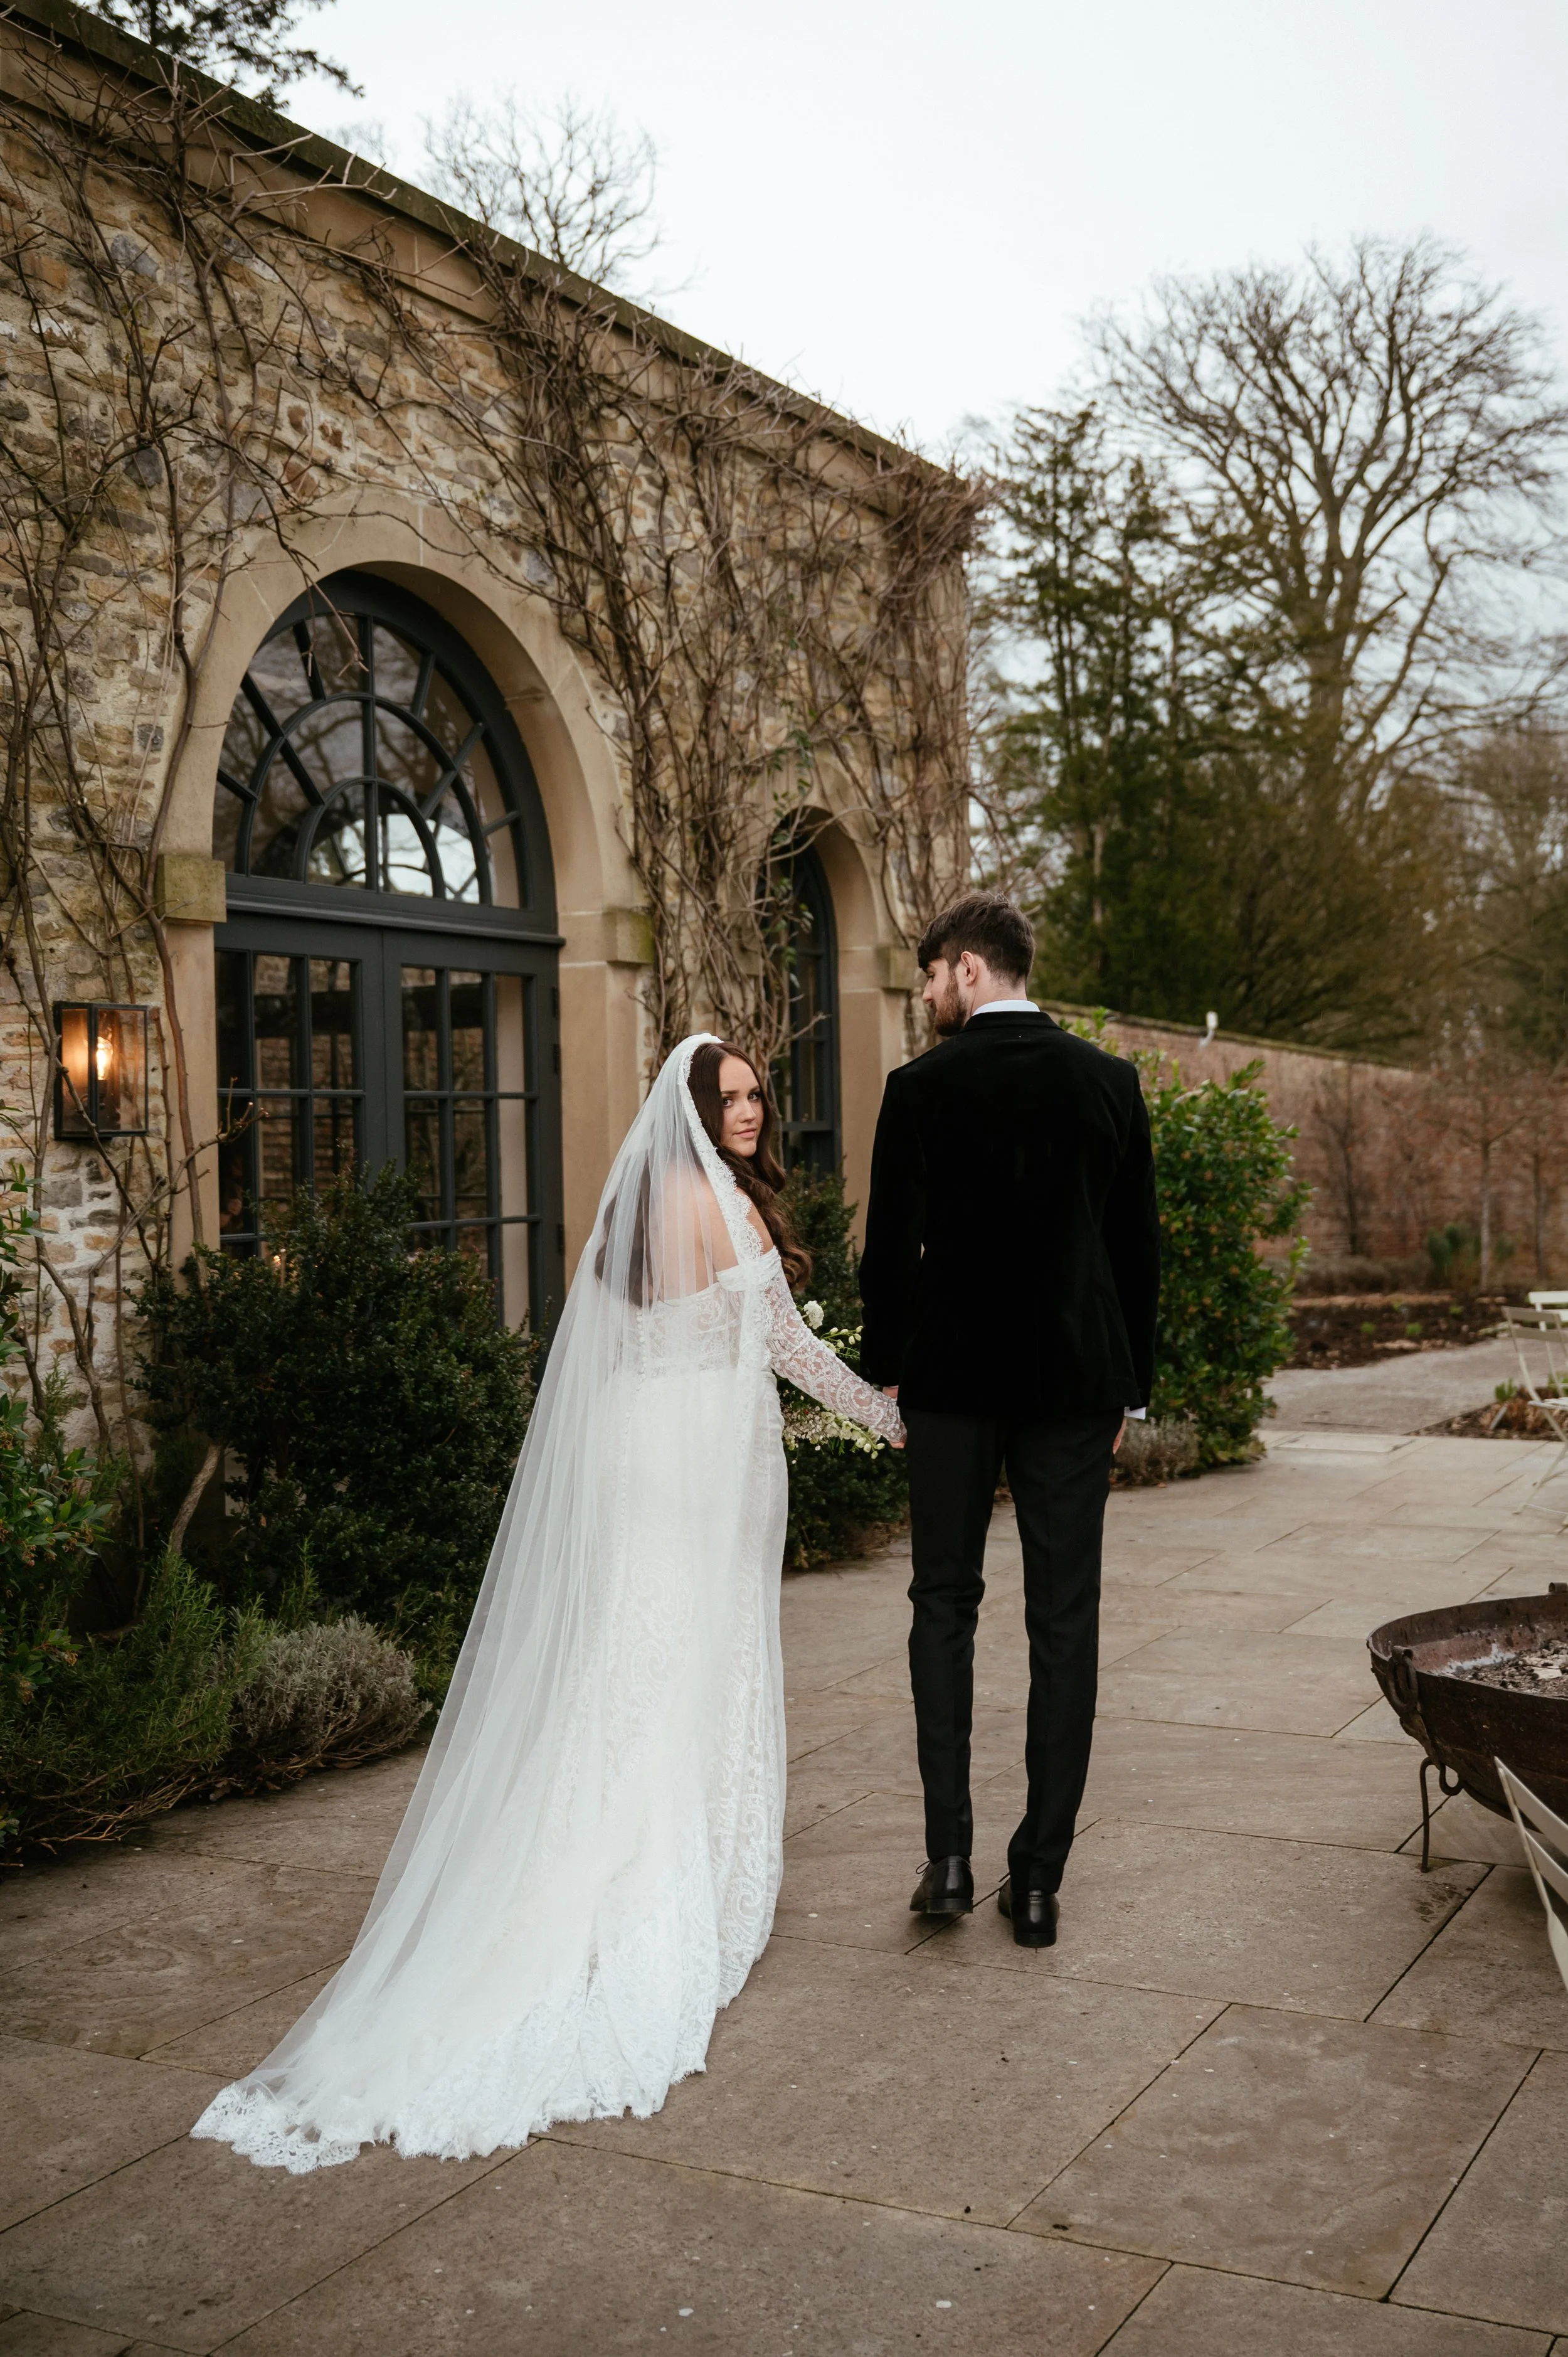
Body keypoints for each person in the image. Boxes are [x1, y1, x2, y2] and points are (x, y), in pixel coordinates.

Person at [193, 1035, 904, 2171]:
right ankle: (656, 1880)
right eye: (730, 1097)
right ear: (690, 1106)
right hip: (687, 1471)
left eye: (757, 1095)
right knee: (687, 1662)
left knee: (627, 1660)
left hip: (634, 1456)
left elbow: (616, 1357)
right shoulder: (728, 1210)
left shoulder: (628, 1210)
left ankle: (583, 1843)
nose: (751, 1112)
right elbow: (788, 1350)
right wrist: (885, 1414)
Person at [858, 893, 1160, 1948]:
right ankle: (1037, 1883)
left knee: (942, 1602)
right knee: (1063, 1623)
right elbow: (1135, 1254)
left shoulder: (920, 1088)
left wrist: (885, 1376)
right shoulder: (1109, 1083)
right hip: (1075, 1385)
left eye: (934, 974)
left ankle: (949, 1861)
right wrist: (1132, 1386)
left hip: (948, 1384)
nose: (929, 992)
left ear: (973, 968)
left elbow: (888, 1254)